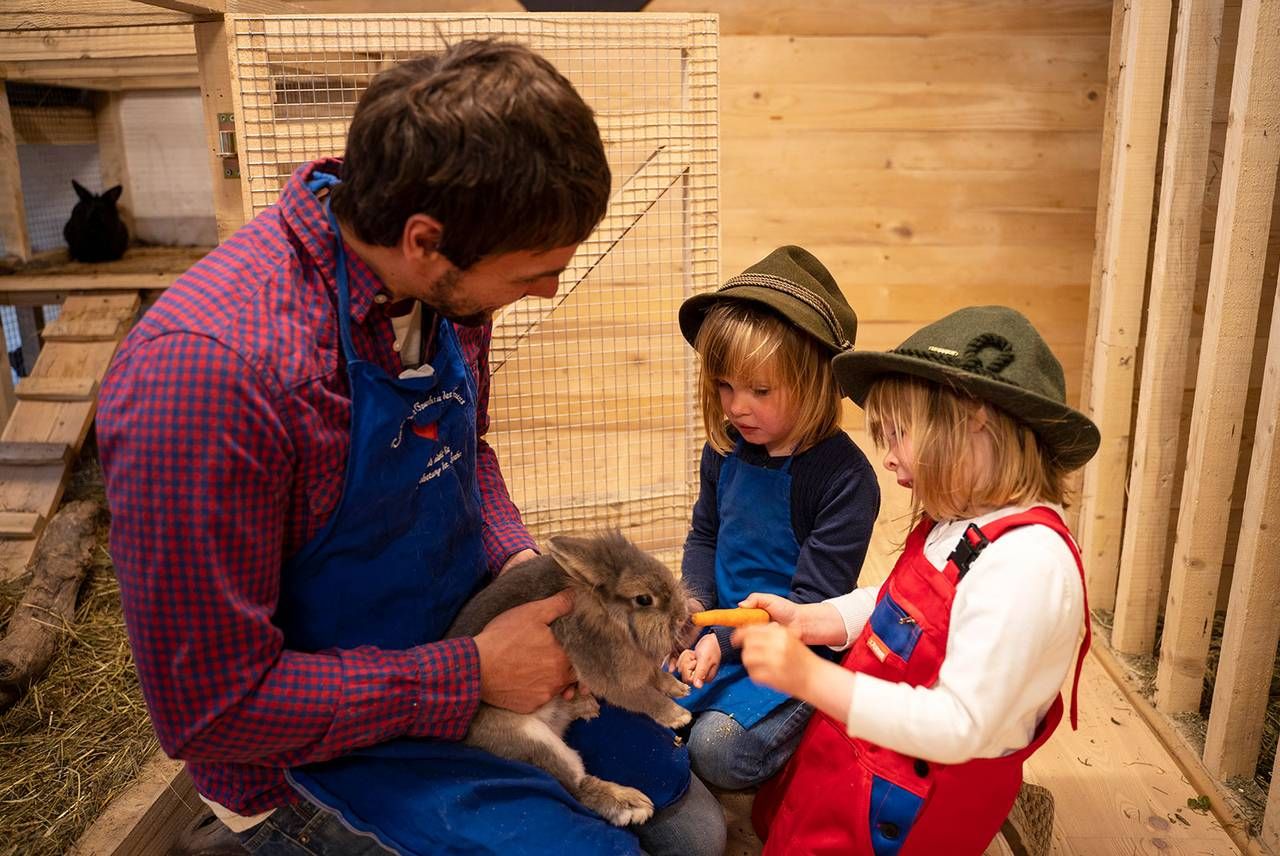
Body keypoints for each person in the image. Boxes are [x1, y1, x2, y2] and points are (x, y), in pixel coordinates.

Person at [97, 40, 723, 856]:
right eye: (534, 272)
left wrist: (525, 575)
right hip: (316, 747)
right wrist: (468, 674)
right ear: (425, 240)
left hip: (477, 645)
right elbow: (209, 708)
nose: (549, 291)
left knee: (695, 831)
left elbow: (467, 453)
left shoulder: (446, 295)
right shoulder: (211, 375)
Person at [735, 306, 1100, 855]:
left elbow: (959, 724)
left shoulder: (1028, 564)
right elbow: (896, 607)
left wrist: (811, 680)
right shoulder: (960, 517)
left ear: (974, 421)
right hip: (868, 754)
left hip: (911, 804)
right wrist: (815, 620)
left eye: (900, 433)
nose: (886, 457)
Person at [671, 246, 879, 791]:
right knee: (633, 702)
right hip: (720, 632)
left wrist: (723, 637)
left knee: (716, 751)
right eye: (724, 386)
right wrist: (697, 619)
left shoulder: (844, 479)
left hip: (792, 647)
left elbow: (813, 598)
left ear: (813, 382)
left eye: (759, 391)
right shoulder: (724, 447)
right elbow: (705, 536)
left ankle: (815, 728)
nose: (736, 406)